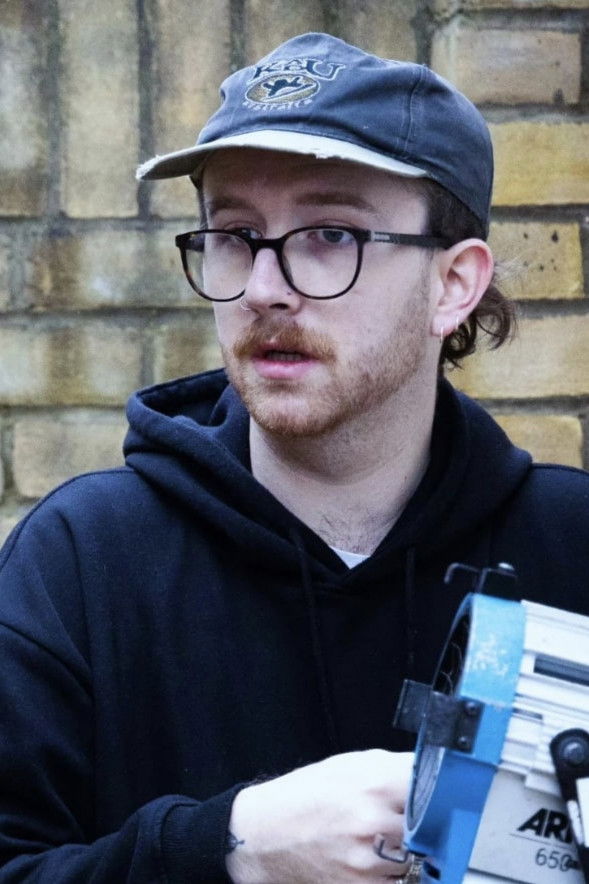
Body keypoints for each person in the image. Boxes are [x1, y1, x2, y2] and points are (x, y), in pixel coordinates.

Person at [0, 31, 588, 884]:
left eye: (330, 234)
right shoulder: (81, 563)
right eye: (235, 233)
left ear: (453, 284)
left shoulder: (571, 547)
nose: (263, 288)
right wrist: (226, 847)